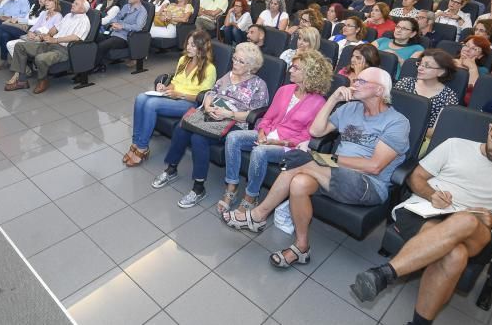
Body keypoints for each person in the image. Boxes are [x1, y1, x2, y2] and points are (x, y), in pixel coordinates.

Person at [351, 112, 492, 325]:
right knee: (454, 255)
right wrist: (431, 194)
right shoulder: (455, 146)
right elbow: (416, 177)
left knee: (467, 220)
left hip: (478, 230)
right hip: (427, 211)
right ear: (489, 128)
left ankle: (385, 273)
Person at [222, 67, 410, 270]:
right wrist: (334, 99)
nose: (354, 84)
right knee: (299, 183)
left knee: (300, 162)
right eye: (355, 80)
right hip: (331, 171)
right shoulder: (350, 109)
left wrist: (330, 159)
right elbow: (316, 130)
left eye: (362, 82)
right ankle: (301, 246)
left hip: (367, 183)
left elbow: (374, 166)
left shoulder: (397, 122)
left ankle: (258, 215)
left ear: (380, 91)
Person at [152, 43, 269, 207]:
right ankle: (171, 169)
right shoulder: (228, 75)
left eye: (240, 62)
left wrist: (229, 114)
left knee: (199, 138)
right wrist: (207, 106)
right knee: (182, 127)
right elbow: (212, 92)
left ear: (251, 66)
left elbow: (255, 116)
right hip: (212, 114)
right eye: (234, 59)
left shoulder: (259, 86)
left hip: (234, 123)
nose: (234, 63)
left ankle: (198, 188)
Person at [219, 50, 331, 213]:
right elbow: (267, 117)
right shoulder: (285, 90)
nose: (290, 70)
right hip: (268, 135)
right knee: (233, 137)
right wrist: (262, 132)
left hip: (288, 146)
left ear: (309, 73)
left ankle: (251, 196)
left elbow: (307, 136)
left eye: (296, 68)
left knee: (260, 152)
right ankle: (232, 186)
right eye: (291, 67)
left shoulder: (319, 102)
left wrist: (276, 142)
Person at [125, 30, 217, 166]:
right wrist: (166, 88)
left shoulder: (210, 69)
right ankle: (135, 142)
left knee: (151, 105)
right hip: (173, 96)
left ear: (202, 48)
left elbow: (203, 98)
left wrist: (180, 95)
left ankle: (142, 147)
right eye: (188, 44)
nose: (188, 48)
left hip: (189, 103)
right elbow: (175, 82)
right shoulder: (183, 60)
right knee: (140, 98)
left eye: (193, 45)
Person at [4, 0, 91, 94]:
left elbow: (76, 37)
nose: (72, 5)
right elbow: (56, 29)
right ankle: (22, 81)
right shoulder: (68, 15)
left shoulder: (84, 21)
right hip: (50, 44)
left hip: (63, 50)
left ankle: (43, 80)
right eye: (74, 3)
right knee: (19, 46)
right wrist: (47, 35)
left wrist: (56, 40)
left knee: (40, 58)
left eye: (76, 4)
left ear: (82, 9)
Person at [395, 49, 459, 138]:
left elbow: (436, 131)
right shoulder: (405, 82)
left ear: (442, 72)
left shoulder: (449, 96)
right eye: (420, 64)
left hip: (422, 138)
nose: (420, 68)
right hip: (393, 128)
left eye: (427, 66)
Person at [93, 0, 148, 72]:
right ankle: (99, 64)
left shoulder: (142, 11)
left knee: (102, 45)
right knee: (94, 37)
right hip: (113, 32)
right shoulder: (126, 6)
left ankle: (91, 67)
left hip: (125, 38)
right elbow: (117, 17)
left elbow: (138, 27)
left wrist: (122, 26)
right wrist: (113, 22)